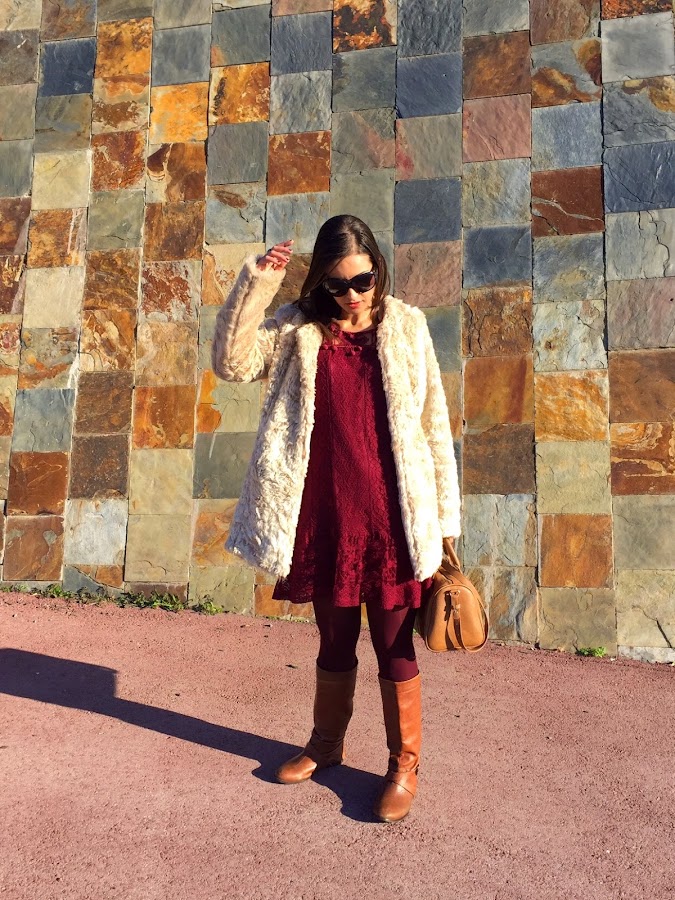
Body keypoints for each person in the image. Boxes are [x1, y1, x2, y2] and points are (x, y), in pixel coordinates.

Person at [212, 215, 461, 823]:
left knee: (395, 647)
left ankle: (404, 765)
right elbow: (233, 363)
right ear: (321, 282)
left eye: (362, 280)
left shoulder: (407, 327)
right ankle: (326, 744)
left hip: (394, 523)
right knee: (333, 641)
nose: (352, 295)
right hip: (326, 519)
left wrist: (445, 522)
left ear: (378, 269)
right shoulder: (298, 329)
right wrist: (257, 283)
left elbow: (433, 426)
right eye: (337, 284)